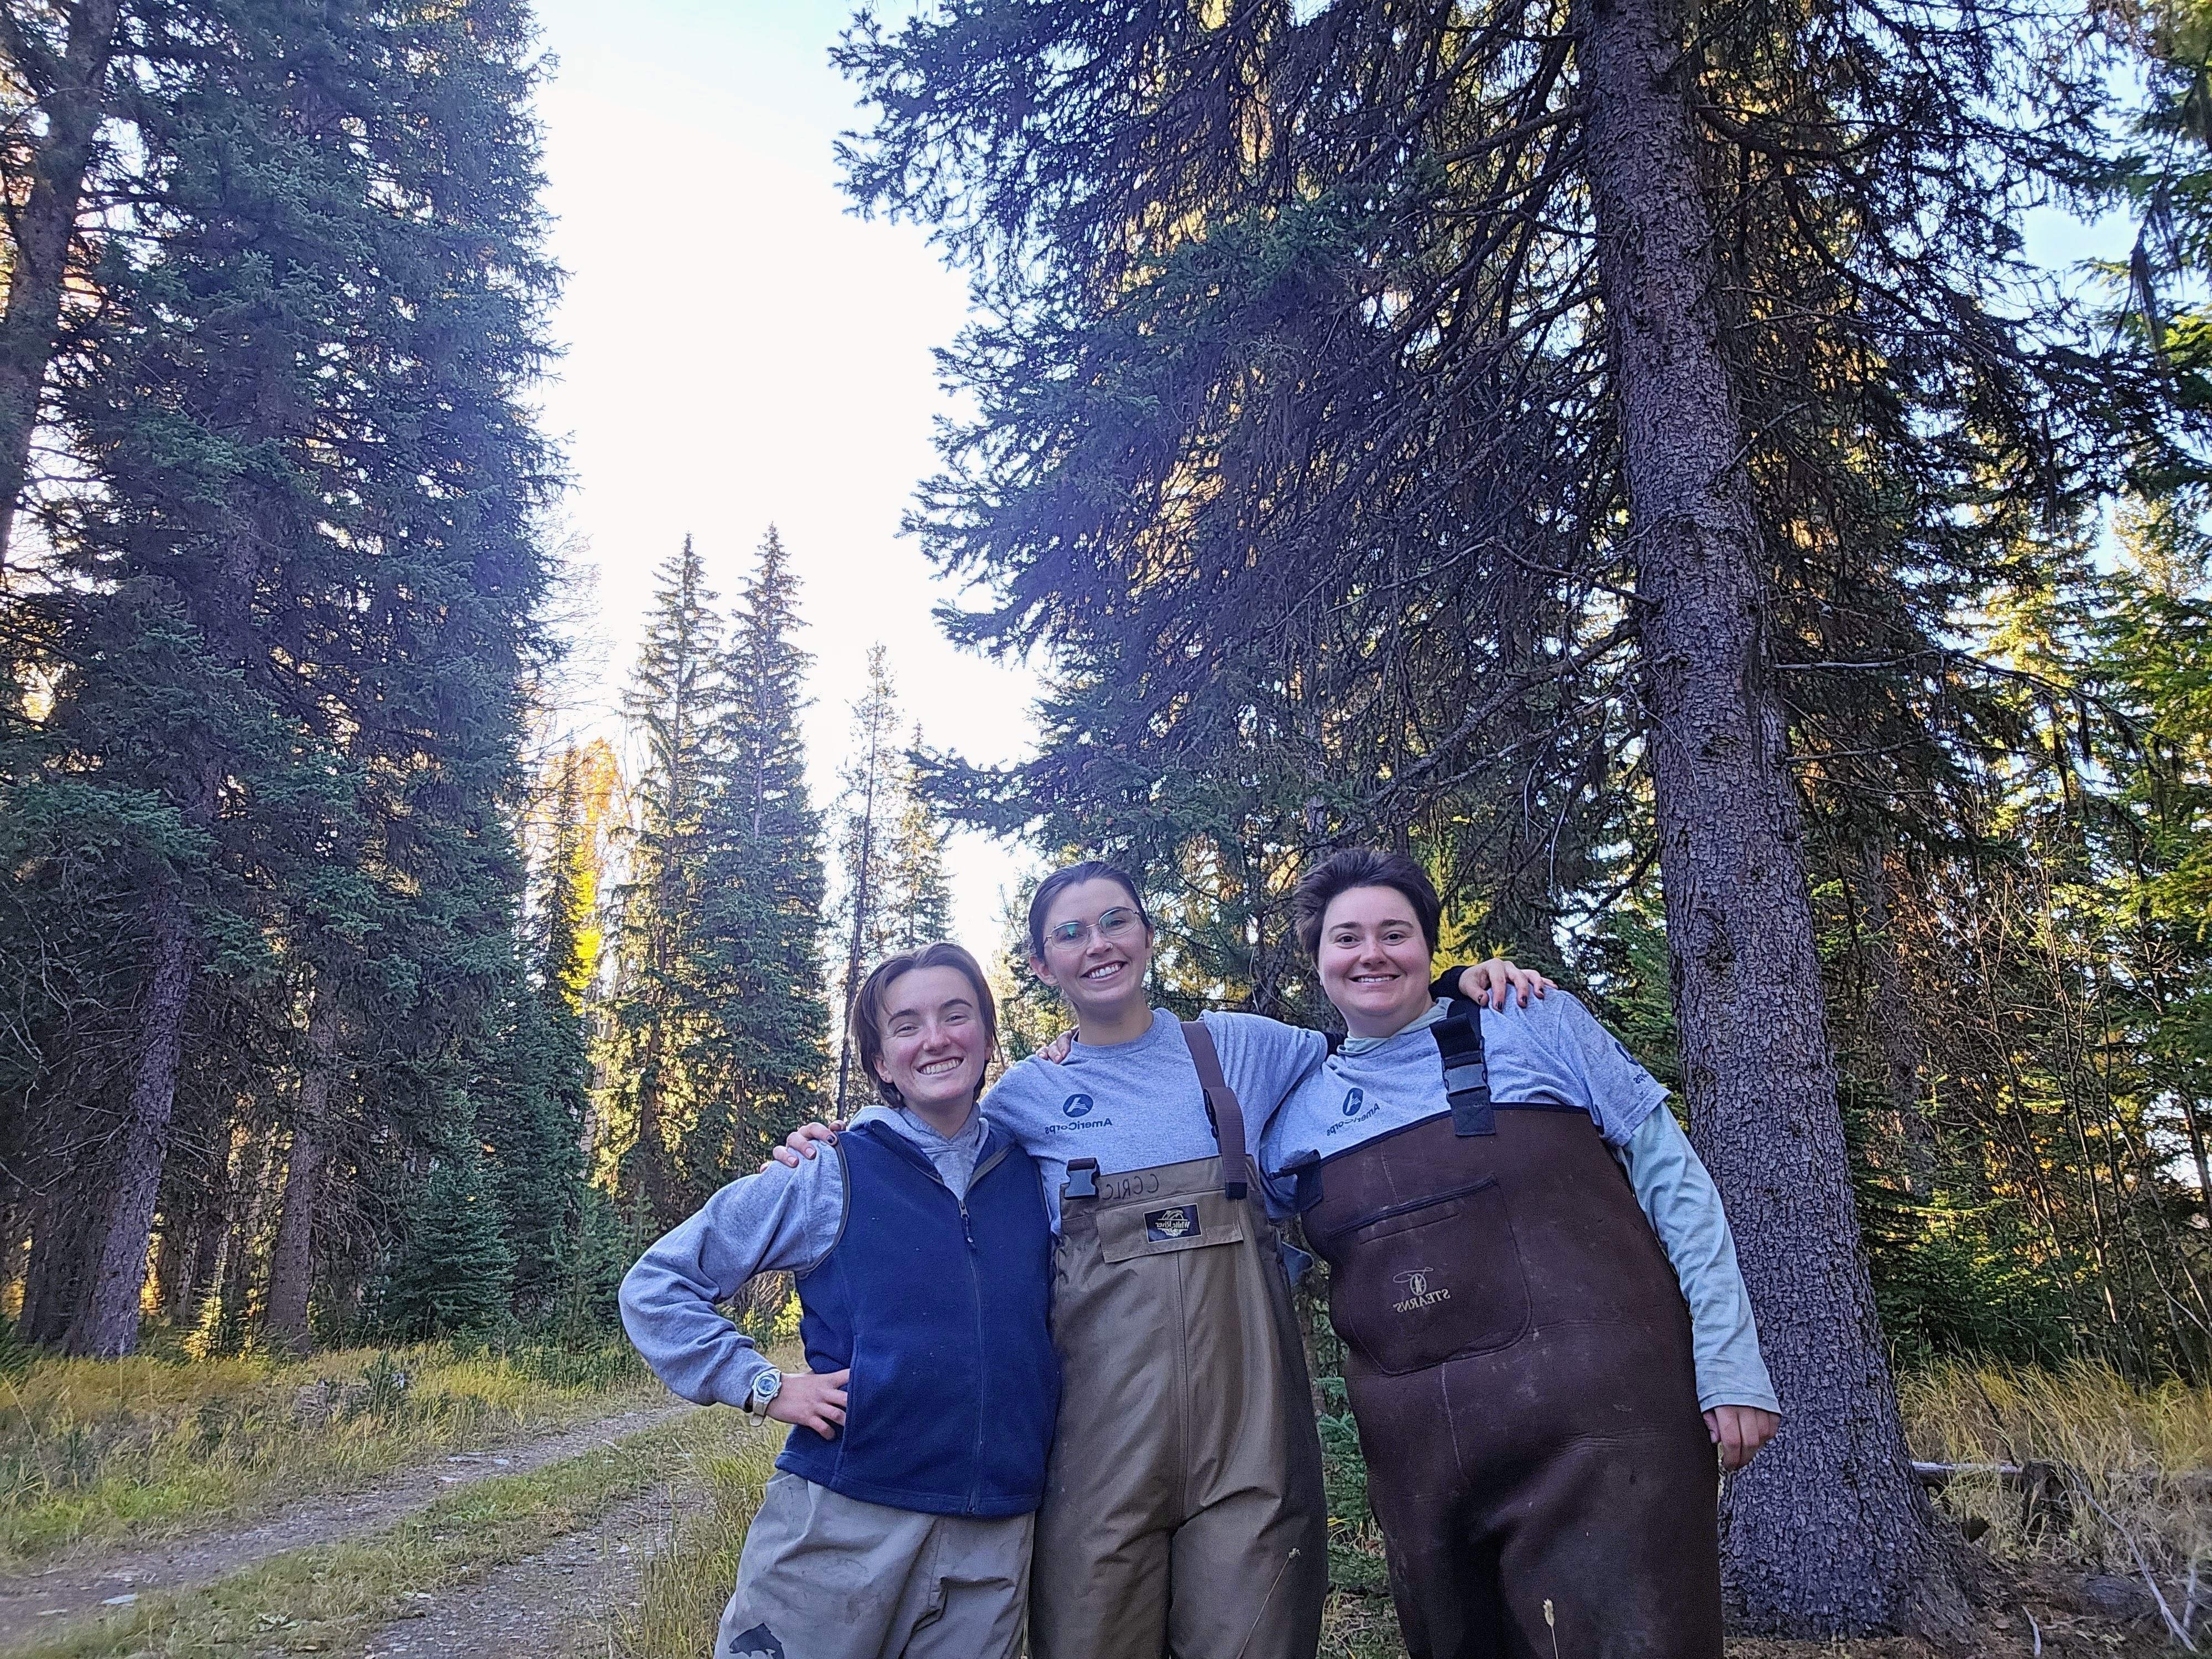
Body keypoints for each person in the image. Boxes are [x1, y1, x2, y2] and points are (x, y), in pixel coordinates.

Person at [776, 859, 1549, 1659]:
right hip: (1094, 1465)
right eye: (1069, 933)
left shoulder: (1242, 1049)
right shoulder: (1020, 1101)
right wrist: (830, 1142)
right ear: (1042, 966)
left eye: (1115, 921)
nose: (1098, 944)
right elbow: (930, 1147)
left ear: (1148, 935)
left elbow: (1378, 1029)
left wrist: (1461, 980)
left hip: (1252, 1457)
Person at [1264, 847, 1781, 1659]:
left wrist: (1729, 1360)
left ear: (1431, 948)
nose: (1372, 954)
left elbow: (1675, 1183)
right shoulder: (1294, 1119)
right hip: (1425, 1475)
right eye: (1347, 937)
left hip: (1609, 1445)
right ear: (1319, 960)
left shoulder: (1532, 1019)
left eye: (1394, 933)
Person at [620, 943, 1057, 1659]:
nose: (937, 1038)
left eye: (957, 1015)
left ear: (986, 1037)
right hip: (844, 1522)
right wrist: (761, 1385)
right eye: (907, 1025)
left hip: (995, 1536)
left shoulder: (1034, 1171)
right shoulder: (829, 1171)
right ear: (882, 1062)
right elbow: (658, 1285)